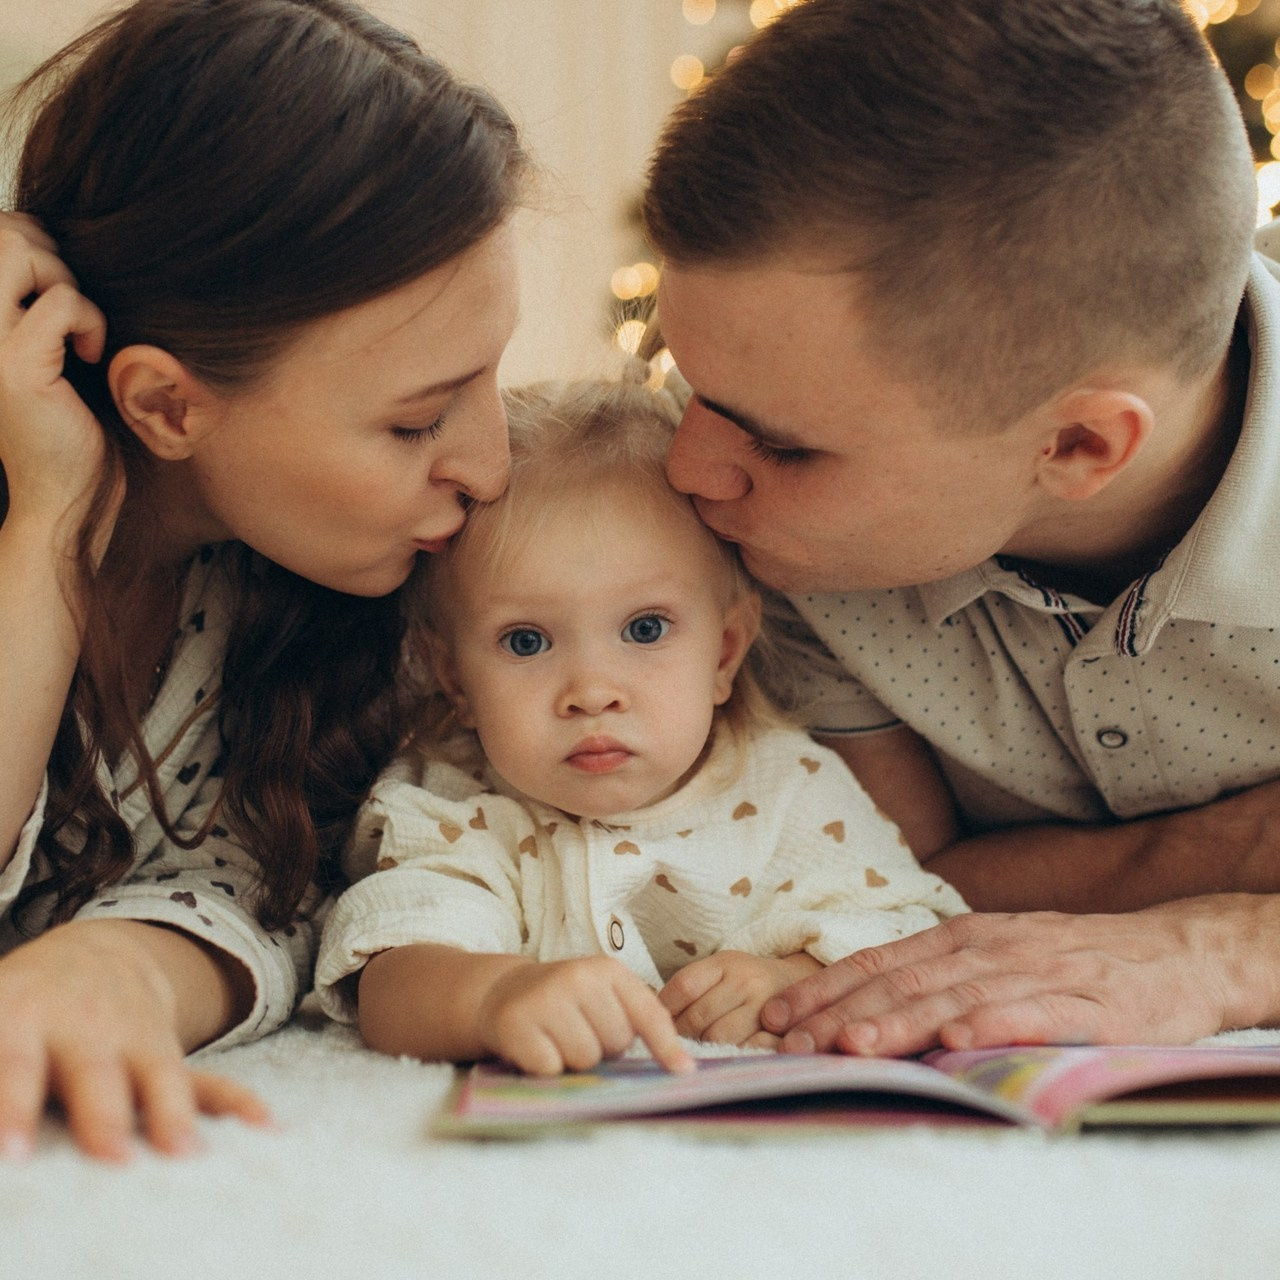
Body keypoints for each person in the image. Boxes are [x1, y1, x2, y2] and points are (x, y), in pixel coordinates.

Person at [642, 0, 1280, 1056]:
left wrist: (1235, 945)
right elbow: (901, 873)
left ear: (1078, 445)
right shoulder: (772, 533)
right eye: (686, 383)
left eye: (785, 446)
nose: (686, 469)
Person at [0, 0, 526, 1160]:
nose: (490, 465)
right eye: (417, 419)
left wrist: (126, 962)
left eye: (490, 377)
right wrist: (46, 525)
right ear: (166, 405)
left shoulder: (290, 590)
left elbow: (276, 891)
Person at [313, 376, 967, 1073]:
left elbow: (913, 931)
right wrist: (494, 995)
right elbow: (393, 973)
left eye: (645, 628)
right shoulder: (457, 804)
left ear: (723, 652)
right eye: (527, 642)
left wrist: (794, 977)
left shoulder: (789, 787)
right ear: (455, 680)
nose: (592, 693)